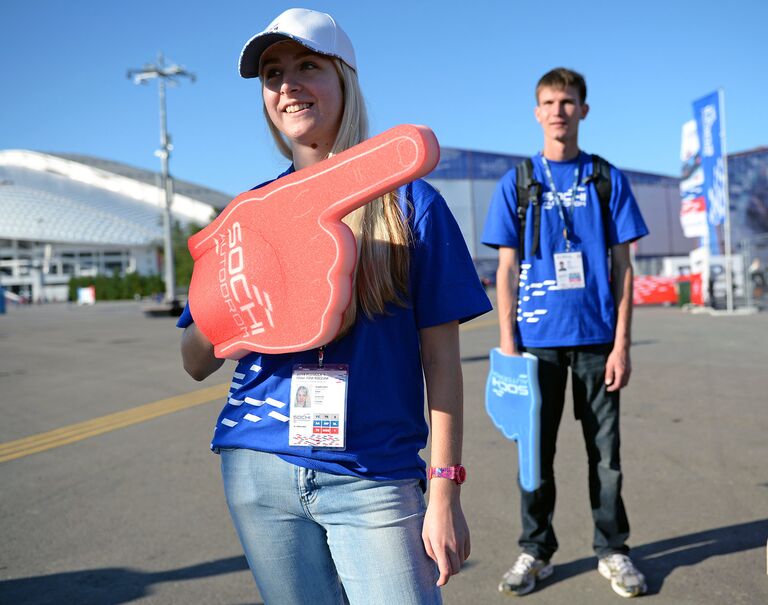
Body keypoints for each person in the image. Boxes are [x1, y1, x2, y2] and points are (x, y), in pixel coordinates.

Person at [178, 8, 491, 605]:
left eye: (307, 66)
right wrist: (237, 314)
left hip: (373, 474)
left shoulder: (408, 203)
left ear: (344, 78)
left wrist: (445, 489)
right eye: (272, 74)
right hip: (259, 464)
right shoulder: (249, 214)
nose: (287, 85)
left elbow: (442, 362)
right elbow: (194, 358)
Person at [482, 67, 650, 598]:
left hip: (598, 342)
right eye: (550, 102)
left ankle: (613, 550)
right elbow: (505, 270)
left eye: (569, 101)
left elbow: (624, 267)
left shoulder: (605, 178)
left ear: (583, 110)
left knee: (605, 456)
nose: (559, 111)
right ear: (537, 112)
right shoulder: (519, 182)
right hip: (535, 347)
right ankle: (536, 550)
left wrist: (622, 343)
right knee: (535, 454)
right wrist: (508, 343)